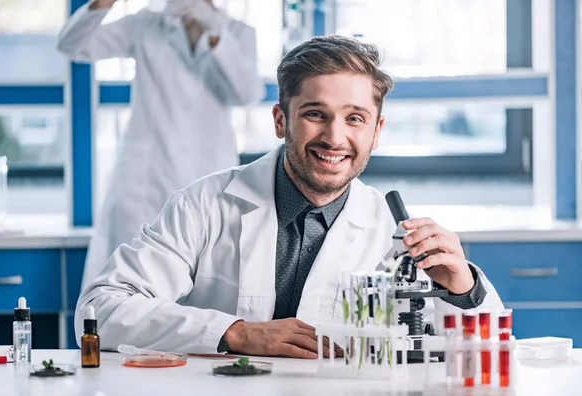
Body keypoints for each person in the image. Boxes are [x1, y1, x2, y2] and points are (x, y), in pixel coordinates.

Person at [75, 35, 503, 358]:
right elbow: (100, 311)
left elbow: (482, 354)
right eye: (315, 114)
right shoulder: (205, 205)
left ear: (376, 132)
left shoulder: (391, 230)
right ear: (281, 120)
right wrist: (234, 332)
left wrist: (463, 290)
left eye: (355, 118)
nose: (335, 138)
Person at [57, 0, 263, 291]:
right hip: (144, 183)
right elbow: (72, 45)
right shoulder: (145, 25)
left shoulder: (238, 32)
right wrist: (103, 3)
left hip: (208, 176)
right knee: (128, 287)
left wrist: (215, 34)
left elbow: (248, 92)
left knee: (204, 286)